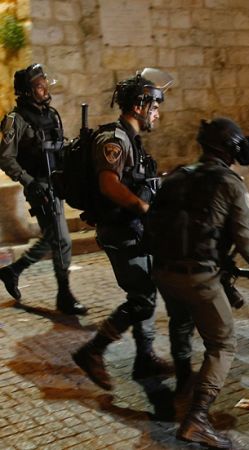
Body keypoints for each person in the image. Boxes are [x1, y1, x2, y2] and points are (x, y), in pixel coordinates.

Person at [148, 117, 249, 448]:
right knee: (223, 344)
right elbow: (248, 248)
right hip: (199, 278)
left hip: (164, 273)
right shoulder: (232, 184)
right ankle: (196, 419)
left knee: (180, 324)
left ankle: (184, 382)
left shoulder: (177, 175)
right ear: (231, 150)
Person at [72, 68, 175, 391]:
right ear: (139, 106)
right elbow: (109, 185)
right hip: (120, 231)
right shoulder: (113, 140)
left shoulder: (132, 141)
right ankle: (92, 351)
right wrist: (145, 208)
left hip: (135, 229)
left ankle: (144, 358)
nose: (157, 114)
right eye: (155, 107)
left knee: (146, 290)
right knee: (142, 298)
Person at [0, 64, 86, 314]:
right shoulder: (15, 120)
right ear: (27, 91)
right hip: (38, 185)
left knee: (52, 236)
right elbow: (5, 158)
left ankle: (12, 271)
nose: (44, 88)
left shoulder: (51, 114)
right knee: (61, 239)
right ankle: (64, 295)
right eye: (38, 85)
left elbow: (58, 145)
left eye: (44, 83)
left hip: (56, 182)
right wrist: (29, 182)